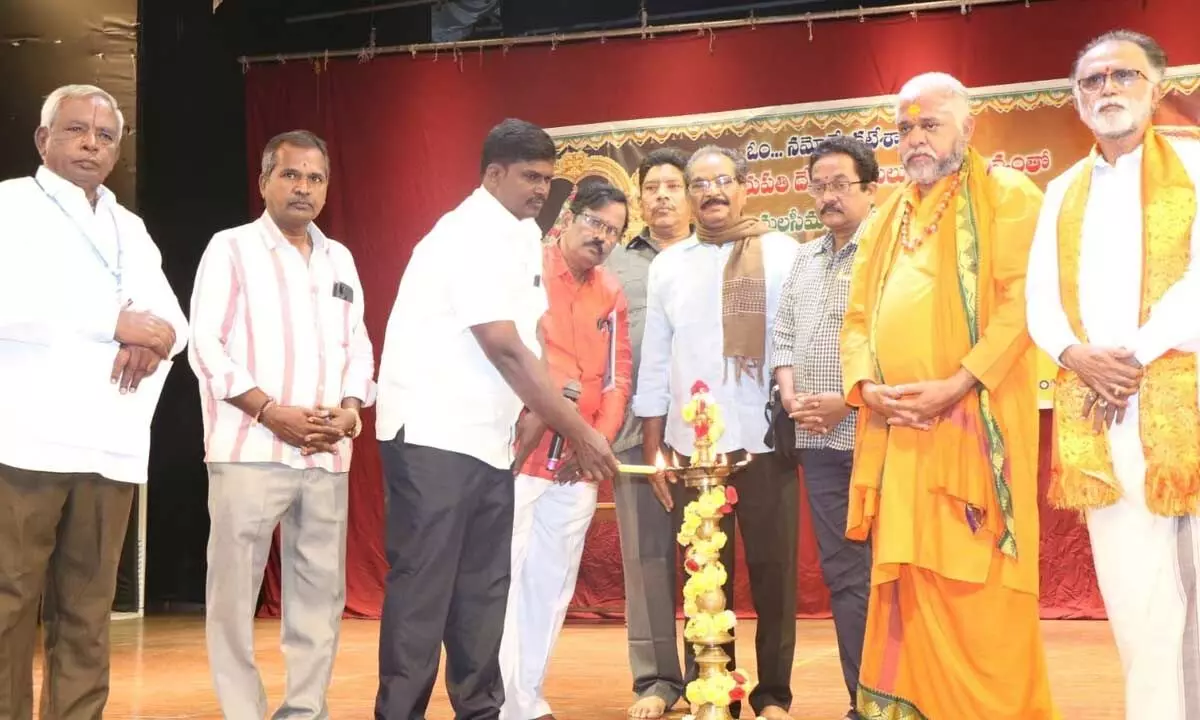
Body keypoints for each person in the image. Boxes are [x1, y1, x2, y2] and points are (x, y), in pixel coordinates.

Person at [373, 118, 619, 720]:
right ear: (493, 174)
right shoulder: (465, 234)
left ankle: (480, 712)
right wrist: (578, 429)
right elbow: (503, 345)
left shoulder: (521, 235)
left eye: (548, 179)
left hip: (487, 441)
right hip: (432, 435)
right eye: (530, 177)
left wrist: (536, 416)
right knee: (425, 593)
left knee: (484, 592)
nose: (541, 189)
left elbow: (533, 336)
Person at [840, 72, 1057, 719]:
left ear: (970, 127)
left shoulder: (1009, 197)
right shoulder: (883, 219)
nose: (914, 139)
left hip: (973, 434)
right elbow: (855, 321)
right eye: (904, 128)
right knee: (910, 592)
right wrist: (869, 388)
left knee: (980, 599)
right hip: (902, 439)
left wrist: (957, 383)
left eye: (929, 124)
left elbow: (1023, 306)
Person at [1026, 30, 1200, 719]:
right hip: (1101, 411)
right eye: (1092, 81)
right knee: (1136, 596)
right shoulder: (1063, 190)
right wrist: (1074, 354)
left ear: (1156, 88)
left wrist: (1130, 353)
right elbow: (1040, 297)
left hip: (1185, 397)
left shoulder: (1194, 166)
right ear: (1076, 100)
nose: (1107, 90)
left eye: (1122, 76)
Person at [0, 84, 187, 718]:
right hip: (25, 440)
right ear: (42, 139)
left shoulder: (127, 225)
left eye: (106, 136)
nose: (91, 144)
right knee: (8, 604)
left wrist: (150, 337)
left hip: (111, 444)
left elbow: (174, 324)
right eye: (77, 130)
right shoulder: (10, 205)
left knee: (87, 612)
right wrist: (113, 322)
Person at [187, 130, 375, 719]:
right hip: (249, 449)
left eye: (315, 178)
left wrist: (349, 409)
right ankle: (243, 712)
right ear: (264, 180)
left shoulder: (339, 257)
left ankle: (304, 711)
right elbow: (206, 345)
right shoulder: (231, 248)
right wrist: (270, 411)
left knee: (321, 598)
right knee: (232, 596)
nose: (303, 187)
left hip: (326, 455)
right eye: (290, 175)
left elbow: (359, 346)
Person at [634, 145, 800, 720]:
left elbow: (796, 341)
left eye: (723, 181)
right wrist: (654, 447)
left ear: (745, 187)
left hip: (764, 440)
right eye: (699, 184)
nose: (712, 193)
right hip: (694, 447)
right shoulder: (669, 264)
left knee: (775, 572)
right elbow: (655, 360)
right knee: (705, 574)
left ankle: (773, 694)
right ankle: (711, 690)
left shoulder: (783, 253)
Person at [499, 181, 633, 720]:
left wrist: (594, 439)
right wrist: (575, 428)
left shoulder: (612, 292)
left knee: (551, 586)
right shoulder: (527, 269)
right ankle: (499, 698)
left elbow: (619, 376)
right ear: (570, 219)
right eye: (596, 223)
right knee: (503, 582)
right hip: (519, 453)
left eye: (615, 231)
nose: (603, 237)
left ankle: (527, 699)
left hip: (578, 467)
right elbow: (513, 356)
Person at [770, 135, 875, 720]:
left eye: (840, 184)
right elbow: (783, 335)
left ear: (869, 188)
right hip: (817, 443)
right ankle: (863, 702)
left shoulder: (889, 251)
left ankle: (910, 695)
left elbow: (898, 343)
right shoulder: (805, 258)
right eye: (819, 185)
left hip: (881, 436)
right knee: (842, 575)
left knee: (893, 570)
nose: (828, 196)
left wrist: (849, 402)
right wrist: (789, 392)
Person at [604, 147, 695, 720]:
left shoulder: (715, 254)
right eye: (652, 187)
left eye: (672, 186)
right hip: (638, 435)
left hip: (709, 437)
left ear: (689, 195)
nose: (662, 196)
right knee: (645, 560)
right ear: (639, 199)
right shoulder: (614, 261)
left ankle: (713, 671)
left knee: (713, 555)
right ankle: (657, 682)